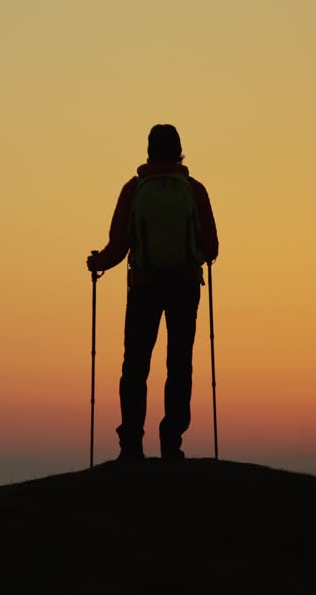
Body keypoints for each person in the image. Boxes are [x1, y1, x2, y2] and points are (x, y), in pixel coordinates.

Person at [86, 124, 220, 461]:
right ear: (179, 150)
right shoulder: (194, 189)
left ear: (148, 150)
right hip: (185, 287)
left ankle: (131, 444)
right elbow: (211, 247)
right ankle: (171, 442)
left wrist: (97, 262)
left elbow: (119, 244)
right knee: (179, 364)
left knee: (135, 366)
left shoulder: (134, 189)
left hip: (144, 286)